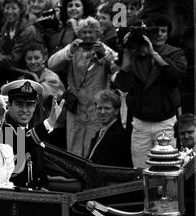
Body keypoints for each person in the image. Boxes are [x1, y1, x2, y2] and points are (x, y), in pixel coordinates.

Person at [113, 14, 187, 168]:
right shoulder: (137, 55)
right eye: (156, 31)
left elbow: (176, 76)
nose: (159, 34)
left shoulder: (176, 53)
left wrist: (154, 55)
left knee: (167, 169)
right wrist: (127, 51)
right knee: (140, 170)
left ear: (168, 34)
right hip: (141, 122)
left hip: (164, 121)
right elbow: (123, 85)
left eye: (163, 31)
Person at [48, 17, 118, 158]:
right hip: (76, 105)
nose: (87, 35)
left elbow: (119, 69)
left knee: (94, 145)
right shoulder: (73, 48)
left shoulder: (104, 49)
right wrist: (70, 51)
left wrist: (105, 55)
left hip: (97, 107)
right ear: (79, 34)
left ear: (97, 34)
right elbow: (51, 64)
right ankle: (74, 177)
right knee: (74, 144)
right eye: (84, 32)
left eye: (91, 32)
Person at [0, 79, 64, 188]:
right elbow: (23, 144)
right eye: (19, 104)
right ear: (9, 105)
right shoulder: (5, 129)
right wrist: (49, 122)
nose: (25, 110)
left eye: (29, 104)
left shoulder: (30, 129)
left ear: (35, 106)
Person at [87, 89, 132, 167]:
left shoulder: (119, 135)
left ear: (116, 111)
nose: (102, 112)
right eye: (99, 108)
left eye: (107, 108)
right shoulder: (100, 132)